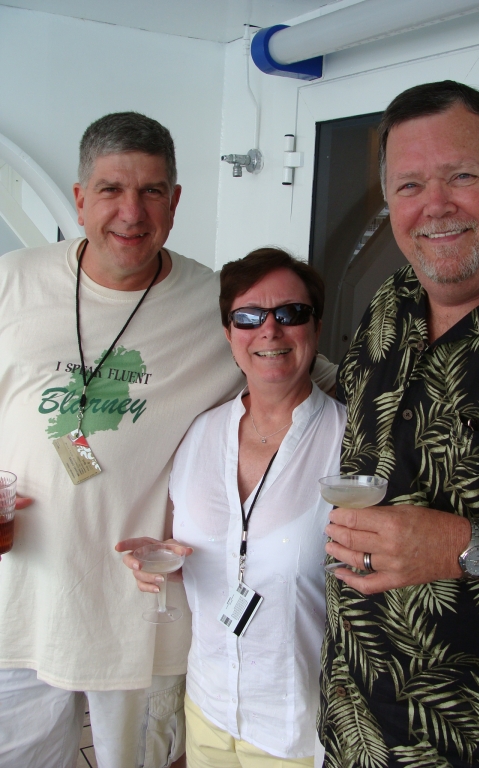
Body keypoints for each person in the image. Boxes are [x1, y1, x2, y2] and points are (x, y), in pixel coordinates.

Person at [0, 113, 336, 768]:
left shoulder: (219, 303)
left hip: (140, 623)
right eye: (110, 190)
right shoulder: (12, 283)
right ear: (78, 199)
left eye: (153, 190)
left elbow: (307, 370)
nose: (131, 212)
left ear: (176, 201)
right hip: (19, 606)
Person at [318, 81, 479, 767]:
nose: (434, 206)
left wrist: (469, 546)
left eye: (461, 176)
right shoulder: (390, 305)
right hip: (357, 732)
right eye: (408, 186)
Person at [119, 248, 347, 768]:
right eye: (249, 317)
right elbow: (204, 555)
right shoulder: (199, 435)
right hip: (208, 710)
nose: (270, 331)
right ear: (229, 333)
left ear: (315, 325)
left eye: (290, 313)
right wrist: (158, 559)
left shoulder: (350, 442)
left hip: (297, 728)